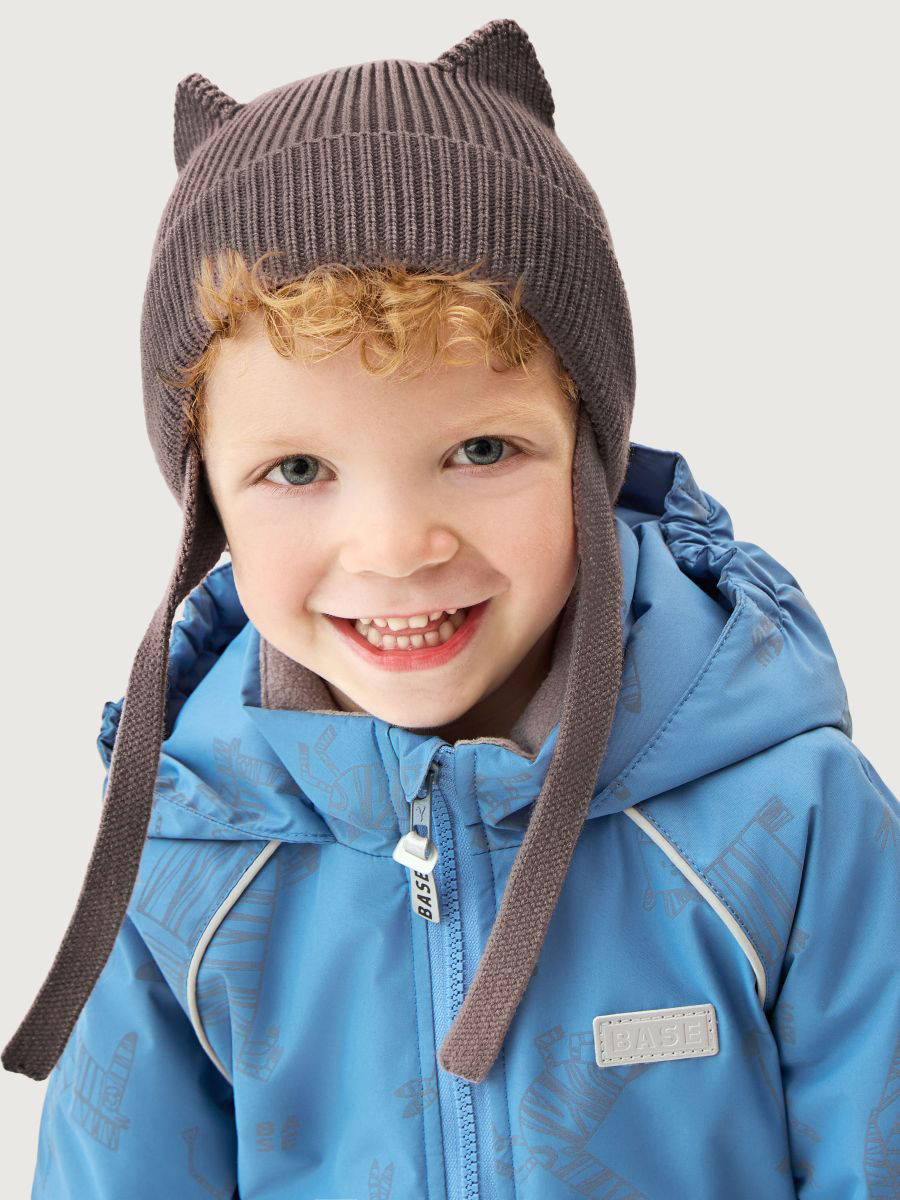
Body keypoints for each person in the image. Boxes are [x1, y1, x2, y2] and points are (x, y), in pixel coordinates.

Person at [5, 18, 898, 1200]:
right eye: (298, 469)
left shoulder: (790, 815)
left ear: (590, 452)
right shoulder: (185, 857)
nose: (396, 549)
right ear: (206, 501)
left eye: (481, 449)